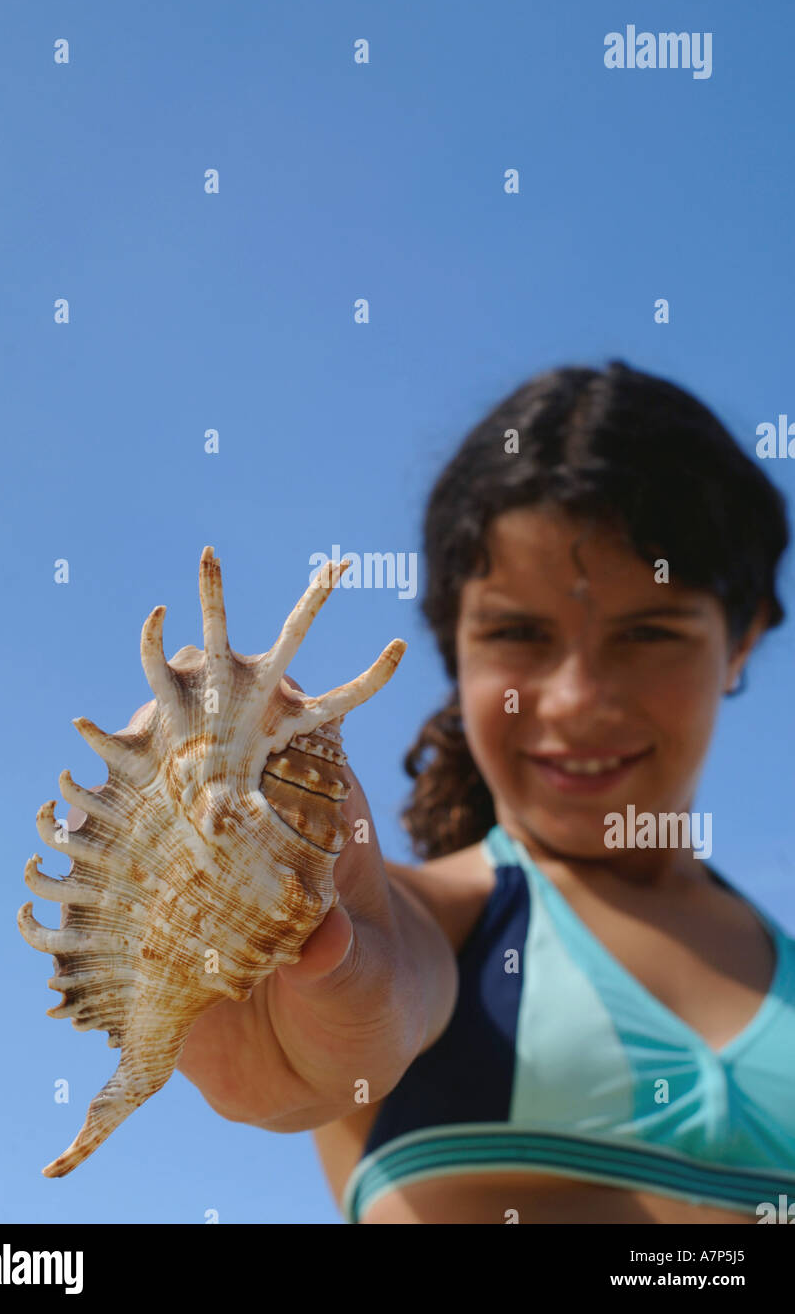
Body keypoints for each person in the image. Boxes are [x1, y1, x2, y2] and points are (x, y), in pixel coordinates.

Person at [177, 359, 795, 1224]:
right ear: (453, 648)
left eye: (649, 632)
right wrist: (314, 994)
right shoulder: (444, 928)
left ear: (742, 641)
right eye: (517, 633)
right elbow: (377, 979)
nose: (576, 700)